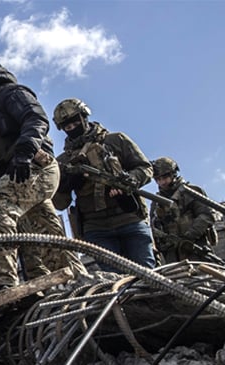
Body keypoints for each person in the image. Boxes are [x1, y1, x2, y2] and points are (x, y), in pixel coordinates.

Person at [0, 54, 86, 294]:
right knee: (45, 239)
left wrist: (24, 153)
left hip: (35, 166)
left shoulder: (11, 93)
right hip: (16, 177)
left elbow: (36, 119)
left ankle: (4, 282)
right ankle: (76, 284)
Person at [52, 98, 156, 271]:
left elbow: (145, 168)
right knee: (113, 282)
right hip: (96, 228)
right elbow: (59, 202)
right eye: (67, 127)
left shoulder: (115, 141)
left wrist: (129, 180)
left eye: (76, 123)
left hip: (130, 219)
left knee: (148, 275)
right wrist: (69, 182)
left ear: (84, 117)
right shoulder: (63, 161)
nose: (72, 129)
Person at [150, 157, 220, 263]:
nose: (162, 182)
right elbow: (153, 227)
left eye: (165, 177)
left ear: (173, 174)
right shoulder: (156, 202)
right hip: (172, 254)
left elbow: (206, 215)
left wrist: (188, 237)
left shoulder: (191, 192)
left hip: (196, 246)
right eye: (158, 179)